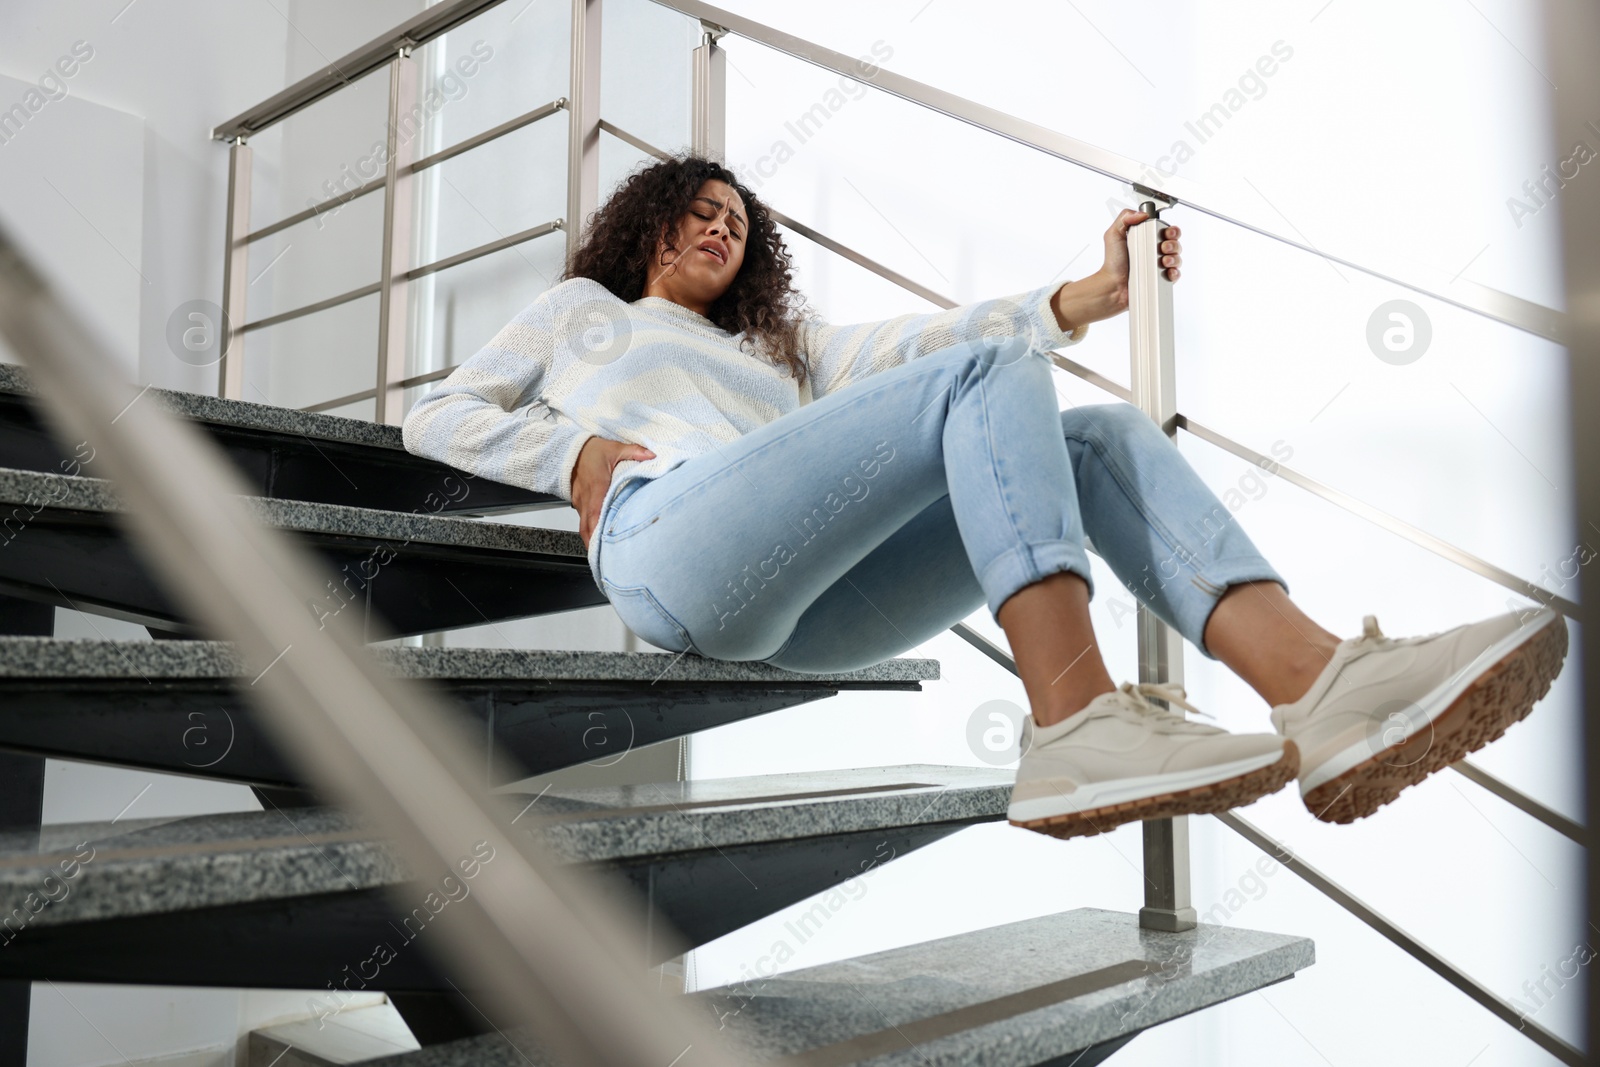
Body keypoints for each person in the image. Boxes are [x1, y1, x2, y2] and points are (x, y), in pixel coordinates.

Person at [403, 152, 1569, 841]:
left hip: (811, 607)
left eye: (739, 222)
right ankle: (1075, 721)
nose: (721, 226)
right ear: (647, 223)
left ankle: (1323, 688)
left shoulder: (784, 355)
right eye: (701, 209)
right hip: (670, 539)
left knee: (1100, 434)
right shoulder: (580, 316)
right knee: (987, 379)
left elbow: (933, 337)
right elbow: (435, 416)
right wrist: (574, 460)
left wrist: (1082, 296)